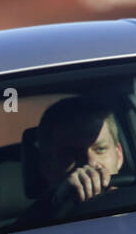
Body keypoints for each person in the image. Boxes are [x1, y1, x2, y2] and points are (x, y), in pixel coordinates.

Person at [14, 95, 125, 226]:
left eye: (100, 149)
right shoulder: (26, 230)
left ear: (118, 155)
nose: (90, 163)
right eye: (71, 154)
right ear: (46, 165)